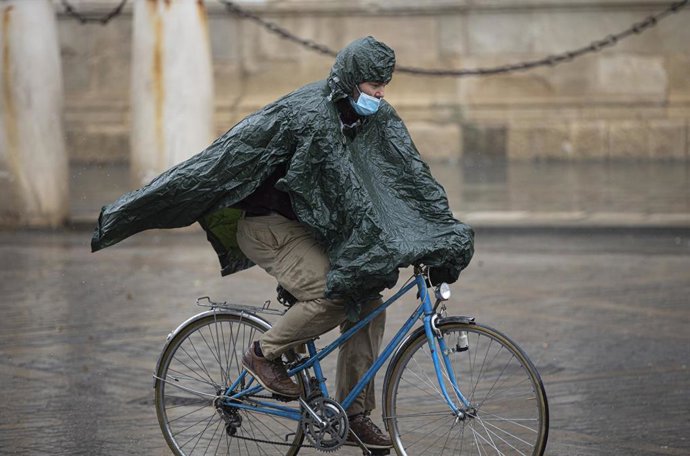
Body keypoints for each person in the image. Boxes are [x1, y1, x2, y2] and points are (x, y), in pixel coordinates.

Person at [91, 36, 474, 450]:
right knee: (331, 293)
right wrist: (385, 244)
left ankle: (354, 413)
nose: (380, 94)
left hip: (310, 228)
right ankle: (263, 353)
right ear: (349, 81)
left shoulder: (374, 116)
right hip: (267, 226)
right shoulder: (313, 114)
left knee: (368, 303)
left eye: (384, 85)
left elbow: (409, 176)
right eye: (372, 85)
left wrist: (439, 229)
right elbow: (347, 194)